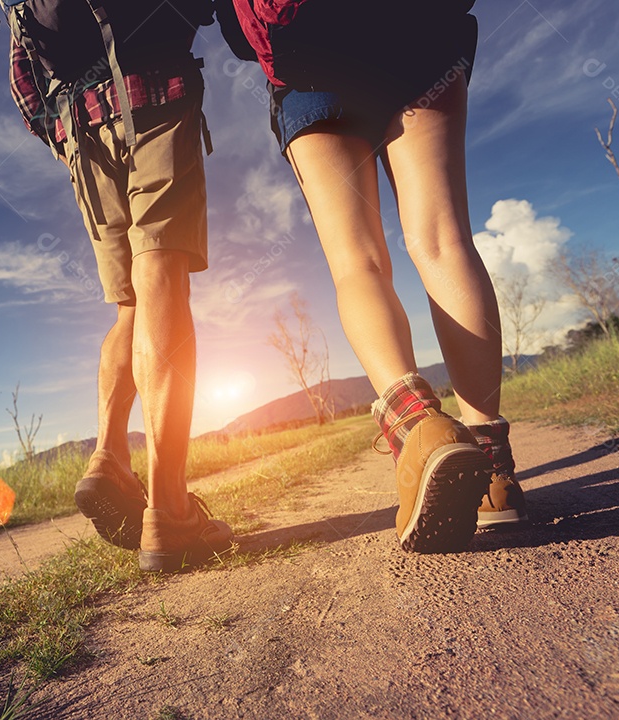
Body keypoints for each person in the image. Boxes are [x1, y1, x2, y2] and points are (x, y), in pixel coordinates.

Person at [224, 0, 527, 552]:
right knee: (443, 239)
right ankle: (494, 467)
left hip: (306, 56)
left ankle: (420, 429)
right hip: (419, 32)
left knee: (357, 260)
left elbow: (236, 29)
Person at [0, 0, 233, 571]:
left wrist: (64, 136)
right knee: (162, 282)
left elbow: (22, 73)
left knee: (129, 305)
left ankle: (107, 456)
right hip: (156, 92)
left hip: (81, 130)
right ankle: (169, 509)